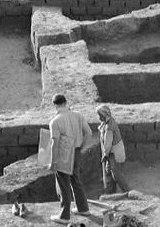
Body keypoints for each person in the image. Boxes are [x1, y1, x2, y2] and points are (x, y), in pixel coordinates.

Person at [47, 94, 93, 225]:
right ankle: (83, 208)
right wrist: (81, 148)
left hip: (64, 154)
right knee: (75, 179)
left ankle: (64, 215)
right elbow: (89, 133)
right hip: (77, 150)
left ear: (55, 105)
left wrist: (53, 161)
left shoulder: (55, 122)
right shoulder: (78, 115)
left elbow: (55, 143)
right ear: (66, 102)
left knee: (63, 183)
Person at [97, 105, 130, 194]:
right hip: (112, 152)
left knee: (116, 174)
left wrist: (105, 155)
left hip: (114, 153)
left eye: (100, 115)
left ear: (104, 115)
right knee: (109, 172)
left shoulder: (109, 127)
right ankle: (110, 192)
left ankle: (127, 191)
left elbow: (107, 143)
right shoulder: (107, 123)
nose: (99, 117)